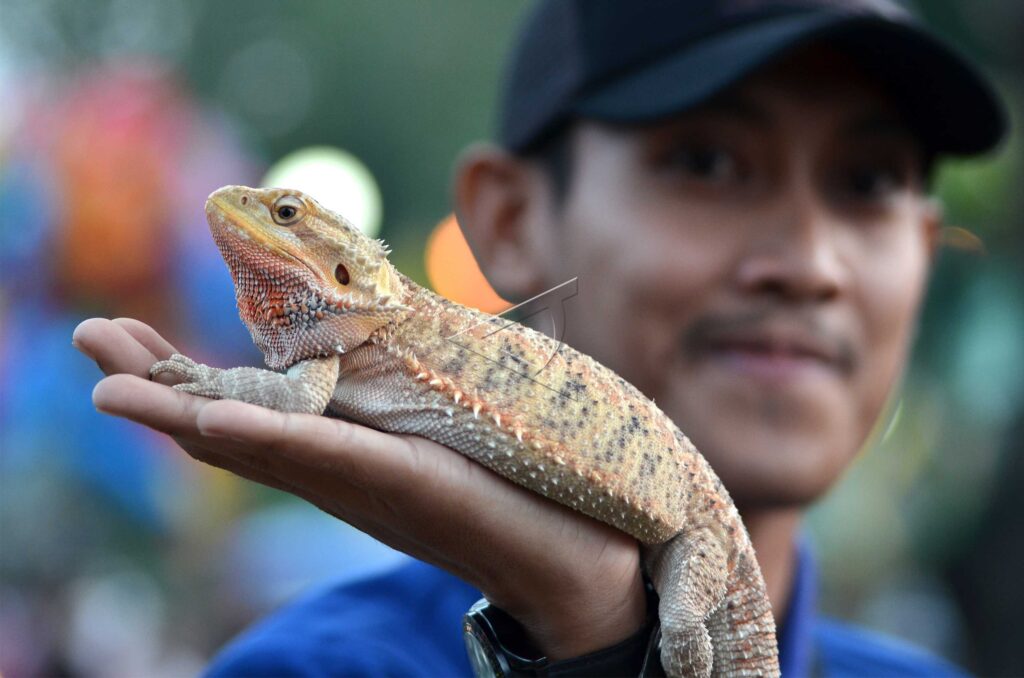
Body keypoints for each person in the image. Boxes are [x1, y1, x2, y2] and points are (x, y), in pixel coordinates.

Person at [73, 0, 1006, 675]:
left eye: (872, 180)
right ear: (508, 219)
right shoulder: (314, 668)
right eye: (708, 160)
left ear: (926, 251)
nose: (810, 262)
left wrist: (607, 641)